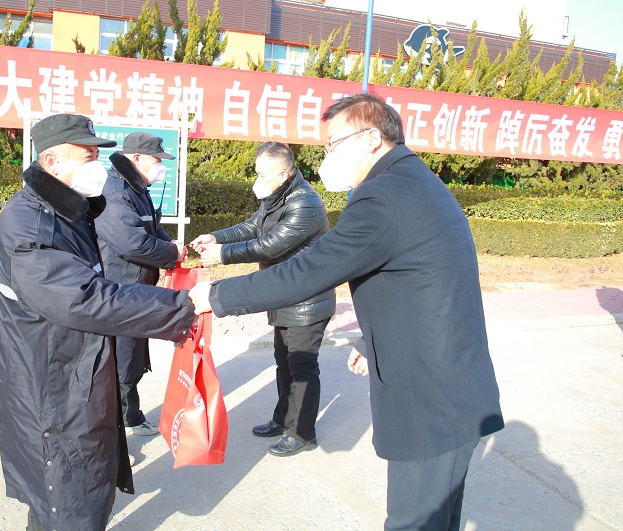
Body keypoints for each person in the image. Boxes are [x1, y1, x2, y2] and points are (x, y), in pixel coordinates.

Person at [189, 94, 504, 530]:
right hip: (451, 385)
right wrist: (368, 337)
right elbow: (424, 281)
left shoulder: (383, 195)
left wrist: (215, 296)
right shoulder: (411, 181)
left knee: (414, 522)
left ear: (372, 138)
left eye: (334, 143)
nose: (327, 155)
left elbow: (309, 270)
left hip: (431, 396)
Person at [0, 114, 195, 531]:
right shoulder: (31, 229)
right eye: (88, 155)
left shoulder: (65, 211)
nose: (98, 164)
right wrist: (180, 308)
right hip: (54, 385)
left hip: (71, 370)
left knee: (60, 496)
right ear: (52, 161)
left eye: (98, 153)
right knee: (69, 496)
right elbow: (87, 298)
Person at [189, 141, 335, 457]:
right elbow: (254, 226)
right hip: (283, 294)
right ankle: (283, 420)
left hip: (306, 300)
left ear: (283, 172)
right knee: (284, 362)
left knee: (302, 367)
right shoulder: (277, 195)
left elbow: (270, 246)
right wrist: (218, 237)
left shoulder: (305, 203)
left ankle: (303, 433)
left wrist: (223, 255)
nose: (257, 179)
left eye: (262, 173)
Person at [96, 132, 188, 438]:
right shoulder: (115, 192)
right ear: (136, 158)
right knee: (121, 359)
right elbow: (131, 243)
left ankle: (131, 416)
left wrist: (170, 244)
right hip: (120, 289)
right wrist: (169, 254)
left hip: (136, 288)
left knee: (132, 353)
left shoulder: (138, 188)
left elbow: (151, 227)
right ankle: (115, 431)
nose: (161, 166)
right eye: (156, 160)